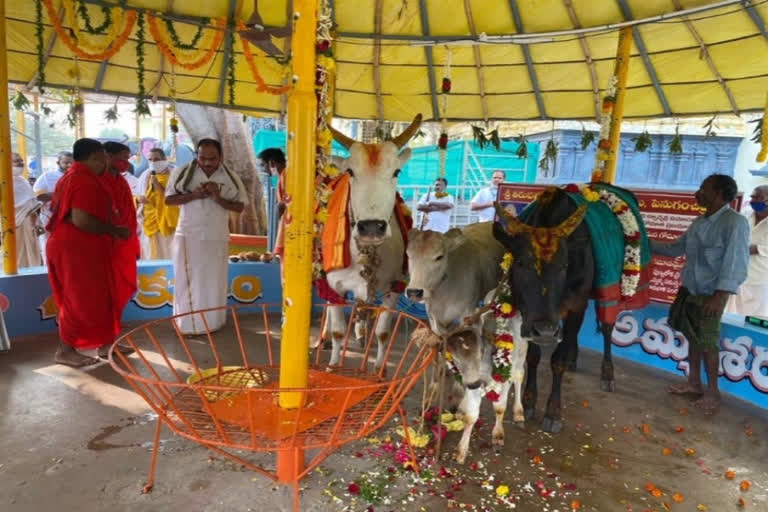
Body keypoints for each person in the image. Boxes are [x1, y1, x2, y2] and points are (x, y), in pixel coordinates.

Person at [651, 174, 750, 414]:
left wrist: (719, 296)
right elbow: (675, 249)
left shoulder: (734, 222)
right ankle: (694, 384)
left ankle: (713, 393)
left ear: (718, 193)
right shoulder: (699, 223)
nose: (698, 193)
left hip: (712, 293)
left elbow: (736, 263)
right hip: (691, 289)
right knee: (693, 337)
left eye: (703, 188)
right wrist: (640, 240)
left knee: (707, 342)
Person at [46, 138, 133, 367]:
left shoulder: (77, 176)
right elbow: (81, 220)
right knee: (78, 299)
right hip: (76, 248)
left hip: (85, 247)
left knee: (101, 297)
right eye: (105, 157)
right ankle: (65, 351)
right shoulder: (82, 180)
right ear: (96, 157)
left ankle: (106, 344)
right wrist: (114, 230)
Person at [165, 139, 247, 335]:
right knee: (186, 280)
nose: (207, 163)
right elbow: (169, 200)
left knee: (214, 280)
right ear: (196, 155)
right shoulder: (182, 173)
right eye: (202, 158)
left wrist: (217, 198)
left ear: (220, 157)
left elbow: (239, 206)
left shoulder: (230, 177)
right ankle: (186, 325)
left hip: (216, 235)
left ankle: (212, 323)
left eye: (212, 158)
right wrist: (195, 195)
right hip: (188, 235)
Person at [102, 142, 140, 318]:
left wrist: (133, 245)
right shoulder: (98, 181)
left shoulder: (122, 181)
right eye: (123, 158)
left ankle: (112, 335)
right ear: (107, 156)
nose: (126, 162)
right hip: (106, 246)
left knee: (120, 292)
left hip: (125, 245)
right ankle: (105, 339)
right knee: (105, 293)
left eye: (128, 158)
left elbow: (130, 215)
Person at [726, 185, 768, 320]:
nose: (754, 200)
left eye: (759, 197)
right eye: (753, 197)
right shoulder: (745, 214)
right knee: (730, 317)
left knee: (755, 320)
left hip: (760, 280)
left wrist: (753, 249)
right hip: (737, 277)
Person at [137, 148, 178, 259]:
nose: (153, 163)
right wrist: (139, 199)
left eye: (156, 159)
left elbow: (176, 199)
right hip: (150, 221)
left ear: (164, 159)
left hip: (168, 222)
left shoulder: (175, 174)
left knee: (169, 253)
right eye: (150, 160)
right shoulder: (145, 176)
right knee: (150, 254)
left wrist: (157, 185)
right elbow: (139, 196)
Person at [33, 151, 73, 264]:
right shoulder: (47, 176)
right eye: (66, 163)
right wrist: (60, 194)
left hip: (71, 220)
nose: (69, 165)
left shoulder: (78, 177)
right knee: (49, 250)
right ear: (58, 162)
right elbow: (38, 196)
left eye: (72, 163)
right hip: (50, 219)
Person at [10, 153, 42, 268]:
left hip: (29, 223)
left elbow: (31, 204)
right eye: (16, 161)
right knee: (16, 255)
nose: (20, 163)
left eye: (21, 160)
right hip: (12, 225)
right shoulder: (3, 181)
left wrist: (37, 222)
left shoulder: (22, 181)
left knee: (32, 253)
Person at [258, 148, 286, 258]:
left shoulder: (287, 174)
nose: (264, 169)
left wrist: (280, 207)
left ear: (272, 163)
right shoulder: (283, 176)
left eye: (264, 165)